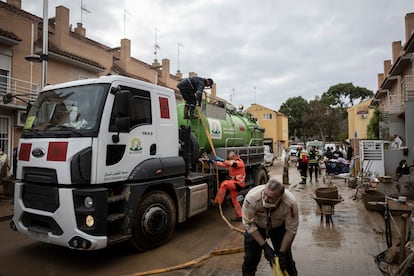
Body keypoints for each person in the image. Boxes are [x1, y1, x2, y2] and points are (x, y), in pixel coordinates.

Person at [241, 178, 299, 276]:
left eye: (270, 197)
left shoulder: (290, 203)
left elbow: (291, 230)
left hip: (278, 227)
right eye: (265, 194)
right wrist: (265, 246)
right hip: (256, 226)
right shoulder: (251, 198)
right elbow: (249, 224)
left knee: (286, 262)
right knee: (250, 259)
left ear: (280, 197)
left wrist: (281, 253)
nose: (265, 198)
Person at [212, 151, 246, 221]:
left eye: (230, 158)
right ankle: (240, 216)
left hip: (238, 183)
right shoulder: (231, 162)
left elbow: (232, 164)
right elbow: (223, 164)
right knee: (233, 199)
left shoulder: (239, 162)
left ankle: (218, 202)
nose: (230, 160)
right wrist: (213, 162)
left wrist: (222, 159)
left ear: (234, 157)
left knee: (224, 184)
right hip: (236, 183)